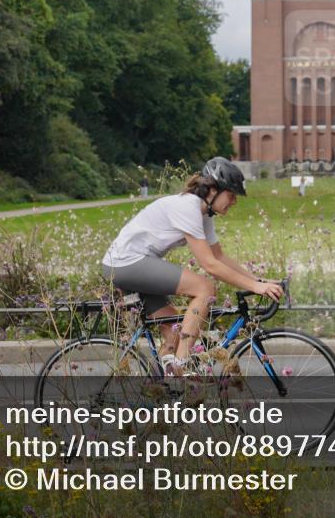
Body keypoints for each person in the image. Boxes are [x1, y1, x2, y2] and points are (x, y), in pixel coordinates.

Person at [101, 157, 283, 375]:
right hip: (125, 263)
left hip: (132, 264)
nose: (234, 202)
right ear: (213, 190)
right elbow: (210, 265)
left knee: (176, 332)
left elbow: (219, 256)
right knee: (204, 288)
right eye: (231, 195)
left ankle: (165, 392)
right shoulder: (187, 207)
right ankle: (182, 364)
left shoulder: (203, 214)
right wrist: (255, 288)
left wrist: (258, 282)